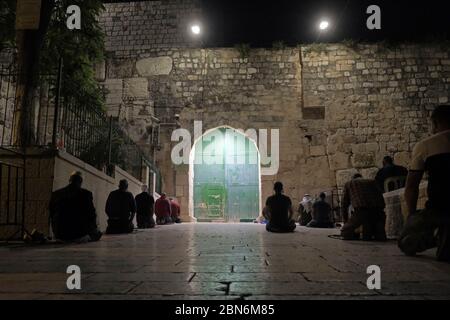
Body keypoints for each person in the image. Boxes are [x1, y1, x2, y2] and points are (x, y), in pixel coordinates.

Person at [398, 105, 450, 262]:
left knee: (405, 242)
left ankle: (436, 236)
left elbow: (412, 186)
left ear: (435, 122)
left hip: (438, 209)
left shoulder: (426, 145)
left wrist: (411, 215)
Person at [49, 172, 102, 243]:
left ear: (69, 180)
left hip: (60, 235)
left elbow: (51, 213)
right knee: (96, 232)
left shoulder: (56, 194)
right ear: (81, 182)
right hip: (79, 235)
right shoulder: (86, 194)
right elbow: (91, 215)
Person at [340, 174, 387, 241]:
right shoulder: (372, 181)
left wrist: (345, 222)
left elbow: (344, 204)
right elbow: (380, 195)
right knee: (374, 233)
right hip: (378, 211)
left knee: (345, 232)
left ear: (353, 178)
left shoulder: (349, 183)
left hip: (362, 210)